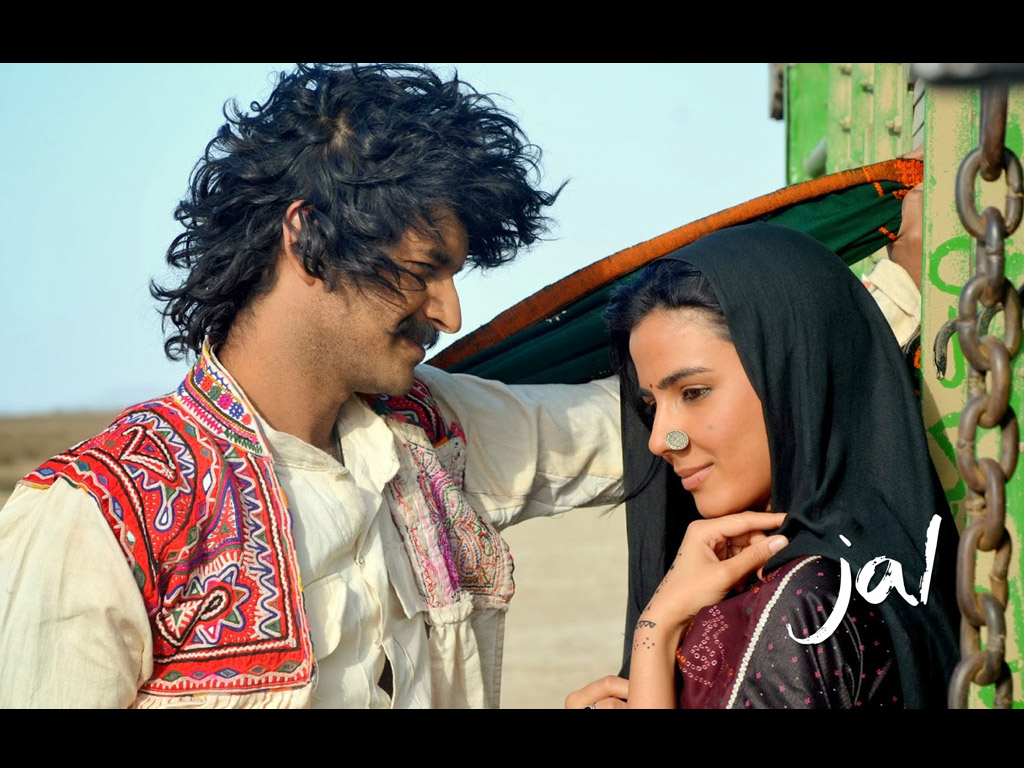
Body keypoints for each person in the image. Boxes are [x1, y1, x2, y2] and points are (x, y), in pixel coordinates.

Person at [0, 63, 623, 708]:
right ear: (307, 236)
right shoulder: (98, 518)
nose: (450, 315)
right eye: (422, 270)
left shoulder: (431, 434)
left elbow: (637, 424)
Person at [572, 222, 959, 708]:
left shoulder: (808, 603)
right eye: (652, 406)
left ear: (794, 380)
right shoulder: (838, 571)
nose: (658, 440)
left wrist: (656, 633)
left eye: (693, 392)